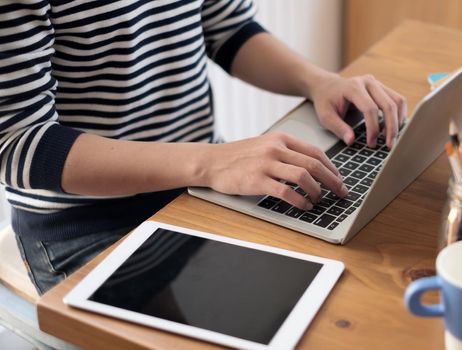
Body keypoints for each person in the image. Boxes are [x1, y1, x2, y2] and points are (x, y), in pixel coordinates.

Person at [0, 0, 407, 295]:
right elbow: (19, 145)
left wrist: (319, 82)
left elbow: (227, 26)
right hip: (92, 222)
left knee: (354, 284)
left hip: (201, 186)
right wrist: (210, 162)